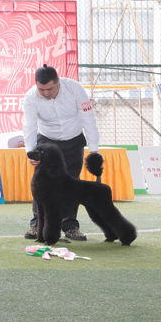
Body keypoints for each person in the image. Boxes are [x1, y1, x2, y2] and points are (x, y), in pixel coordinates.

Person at [22, 64, 100, 241]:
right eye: (41, 89)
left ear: (58, 82)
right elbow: (29, 125)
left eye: (49, 89)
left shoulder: (75, 89)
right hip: (47, 141)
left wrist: (93, 148)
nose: (45, 93)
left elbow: (88, 118)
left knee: (72, 184)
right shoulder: (31, 96)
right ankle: (37, 225)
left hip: (73, 139)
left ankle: (70, 226)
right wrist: (30, 151)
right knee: (42, 183)